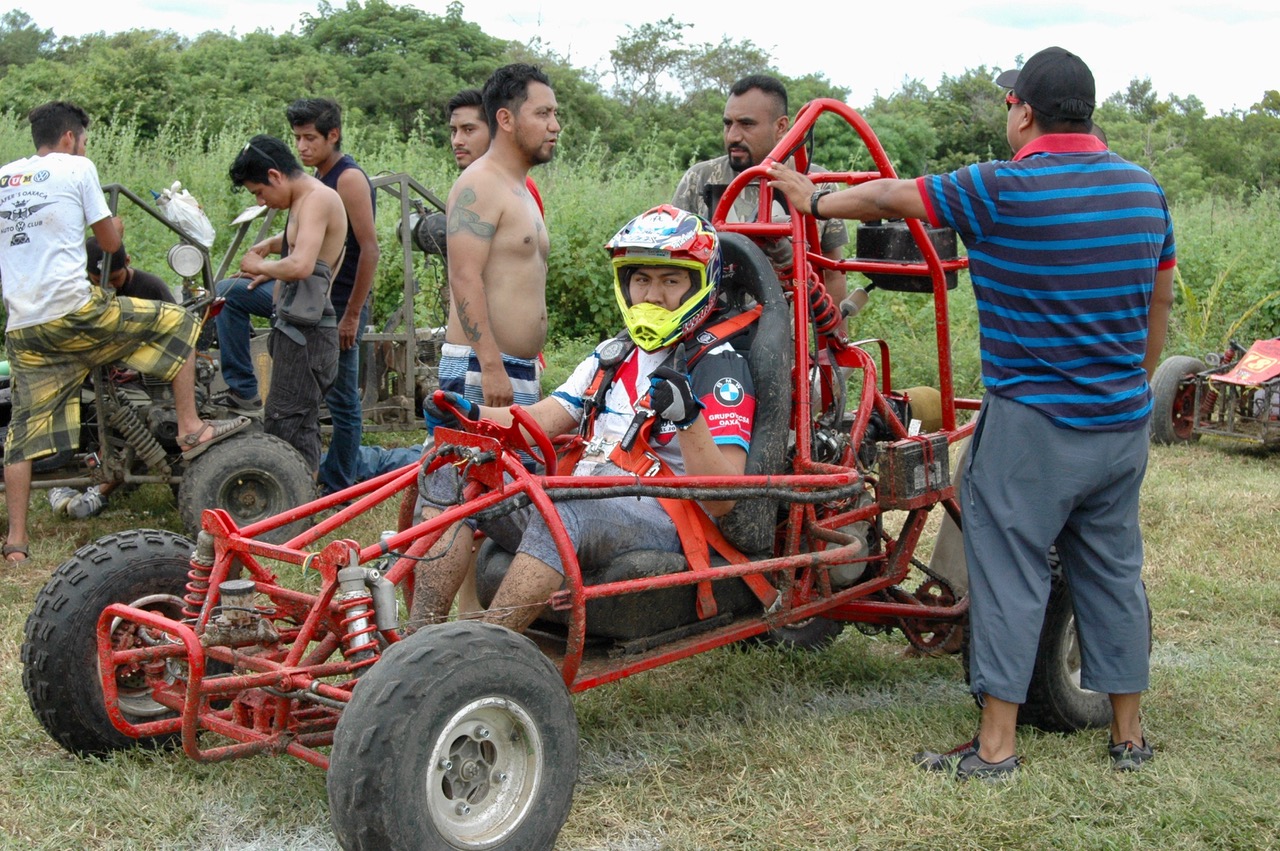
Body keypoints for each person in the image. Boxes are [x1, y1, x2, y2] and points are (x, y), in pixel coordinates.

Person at [768, 46, 1175, 779]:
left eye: (1008, 104)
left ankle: (995, 747)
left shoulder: (1001, 187)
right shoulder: (1146, 192)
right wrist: (1133, 390)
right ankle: (1129, 735)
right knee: (1113, 571)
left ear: (1022, 111)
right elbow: (1159, 304)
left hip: (1033, 426)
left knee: (1009, 571)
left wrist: (814, 199)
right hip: (1119, 425)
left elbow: (892, 198)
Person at [411, 205, 755, 634]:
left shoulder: (719, 367)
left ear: (699, 286)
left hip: (661, 512)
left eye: (671, 280)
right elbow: (544, 417)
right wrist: (469, 414)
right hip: (586, 491)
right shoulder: (617, 353)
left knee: (566, 511)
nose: (651, 296)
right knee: (453, 473)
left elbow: (724, 498)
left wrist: (688, 419)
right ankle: (416, 639)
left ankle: (487, 646)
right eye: (642, 280)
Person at [0, 101, 248, 562]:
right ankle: (191, 428)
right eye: (85, 140)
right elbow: (111, 244)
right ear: (71, 138)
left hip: (24, 324)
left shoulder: (6, 177)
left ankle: (16, 543)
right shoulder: (77, 168)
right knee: (180, 321)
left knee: (22, 430)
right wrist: (111, 225)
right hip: (75, 312)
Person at [217, 99, 379, 496]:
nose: (259, 202)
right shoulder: (308, 192)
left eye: (259, 192)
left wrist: (352, 314)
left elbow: (309, 262)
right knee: (294, 415)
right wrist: (267, 252)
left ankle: (319, 489)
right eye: (298, 139)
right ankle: (304, 490)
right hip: (304, 314)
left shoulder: (331, 189)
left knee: (311, 412)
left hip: (325, 315)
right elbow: (294, 241)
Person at [228, 134, 347, 473]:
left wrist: (259, 266)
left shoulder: (317, 199)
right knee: (296, 423)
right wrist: (274, 244)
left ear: (275, 175)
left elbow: (301, 266)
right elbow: (303, 241)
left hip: (308, 336)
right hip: (297, 330)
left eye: (259, 192)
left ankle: (292, 505)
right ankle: (301, 502)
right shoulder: (304, 199)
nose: (262, 201)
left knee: (287, 423)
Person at [672, 74, 848, 304]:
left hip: (793, 332)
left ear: (781, 126)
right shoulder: (700, 178)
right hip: (718, 329)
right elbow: (673, 265)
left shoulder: (815, 182)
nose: (733, 136)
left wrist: (835, 335)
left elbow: (833, 273)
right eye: (728, 124)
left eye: (746, 124)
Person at [442, 64, 557, 409]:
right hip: (483, 368)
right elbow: (464, 276)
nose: (555, 125)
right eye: (543, 113)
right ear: (505, 120)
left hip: (516, 368)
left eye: (554, 113)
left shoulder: (519, 187)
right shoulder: (481, 183)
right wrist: (491, 366)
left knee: (518, 465)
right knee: (472, 465)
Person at [45, 236, 179, 519]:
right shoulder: (82, 292)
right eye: (97, 279)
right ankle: (68, 477)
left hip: (143, 378)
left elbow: (175, 335)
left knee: (140, 418)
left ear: (128, 263)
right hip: (97, 374)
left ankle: (104, 487)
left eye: (114, 278)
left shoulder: (150, 287)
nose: (107, 286)